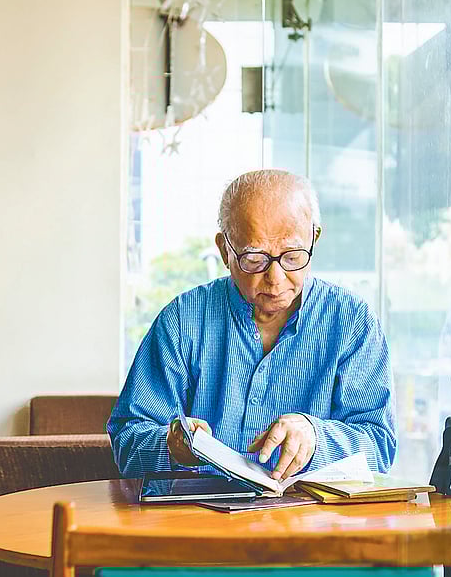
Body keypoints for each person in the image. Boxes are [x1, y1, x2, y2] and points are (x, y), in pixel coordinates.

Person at [108, 169, 396, 479]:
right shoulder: (182, 321)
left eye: (293, 256)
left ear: (314, 238)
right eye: (254, 259)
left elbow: (379, 446)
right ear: (224, 250)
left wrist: (315, 438)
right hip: (199, 521)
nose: (275, 279)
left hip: (309, 522)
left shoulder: (352, 322)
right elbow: (128, 441)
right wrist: (171, 444)